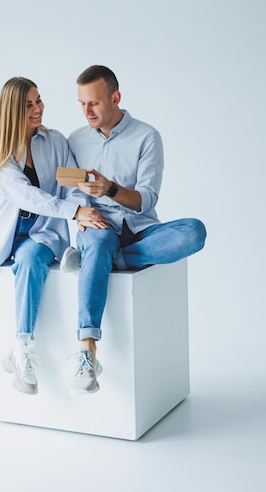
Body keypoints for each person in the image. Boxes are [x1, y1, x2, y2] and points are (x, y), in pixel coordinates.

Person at [0, 77, 106, 425]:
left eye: (39, 101)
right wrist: (73, 212)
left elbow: (75, 186)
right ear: (13, 111)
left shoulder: (55, 142)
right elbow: (25, 196)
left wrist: (78, 210)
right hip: (1, 233)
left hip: (40, 233)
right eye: (29, 105)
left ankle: (22, 349)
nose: (38, 109)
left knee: (32, 258)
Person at [59, 65, 207, 395]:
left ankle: (114, 259)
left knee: (194, 232)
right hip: (97, 226)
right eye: (81, 104)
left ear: (115, 97)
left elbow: (146, 199)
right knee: (98, 242)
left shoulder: (147, 136)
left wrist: (111, 189)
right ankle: (87, 353)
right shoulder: (75, 139)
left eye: (94, 103)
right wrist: (79, 214)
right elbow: (61, 185)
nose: (87, 111)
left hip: (139, 229)